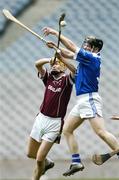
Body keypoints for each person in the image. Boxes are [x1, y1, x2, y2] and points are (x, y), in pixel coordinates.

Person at [43, 27, 119, 176]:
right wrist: (57, 50)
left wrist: (55, 33)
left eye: (88, 45)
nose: (85, 46)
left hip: (89, 98)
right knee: (67, 130)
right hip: (82, 101)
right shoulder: (86, 59)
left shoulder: (92, 58)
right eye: (85, 44)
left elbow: (71, 47)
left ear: (95, 48)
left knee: (101, 132)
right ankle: (76, 162)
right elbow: (70, 56)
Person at [27, 55, 75, 180]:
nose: (54, 65)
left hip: (54, 123)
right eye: (53, 64)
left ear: (64, 67)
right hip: (40, 119)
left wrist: (62, 58)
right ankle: (47, 163)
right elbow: (37, 64)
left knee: (38, 159)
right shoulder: (48, 78)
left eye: (57, 64)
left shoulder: (66, 81)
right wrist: (50, 59)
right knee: (30, 154)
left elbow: (75, 71)